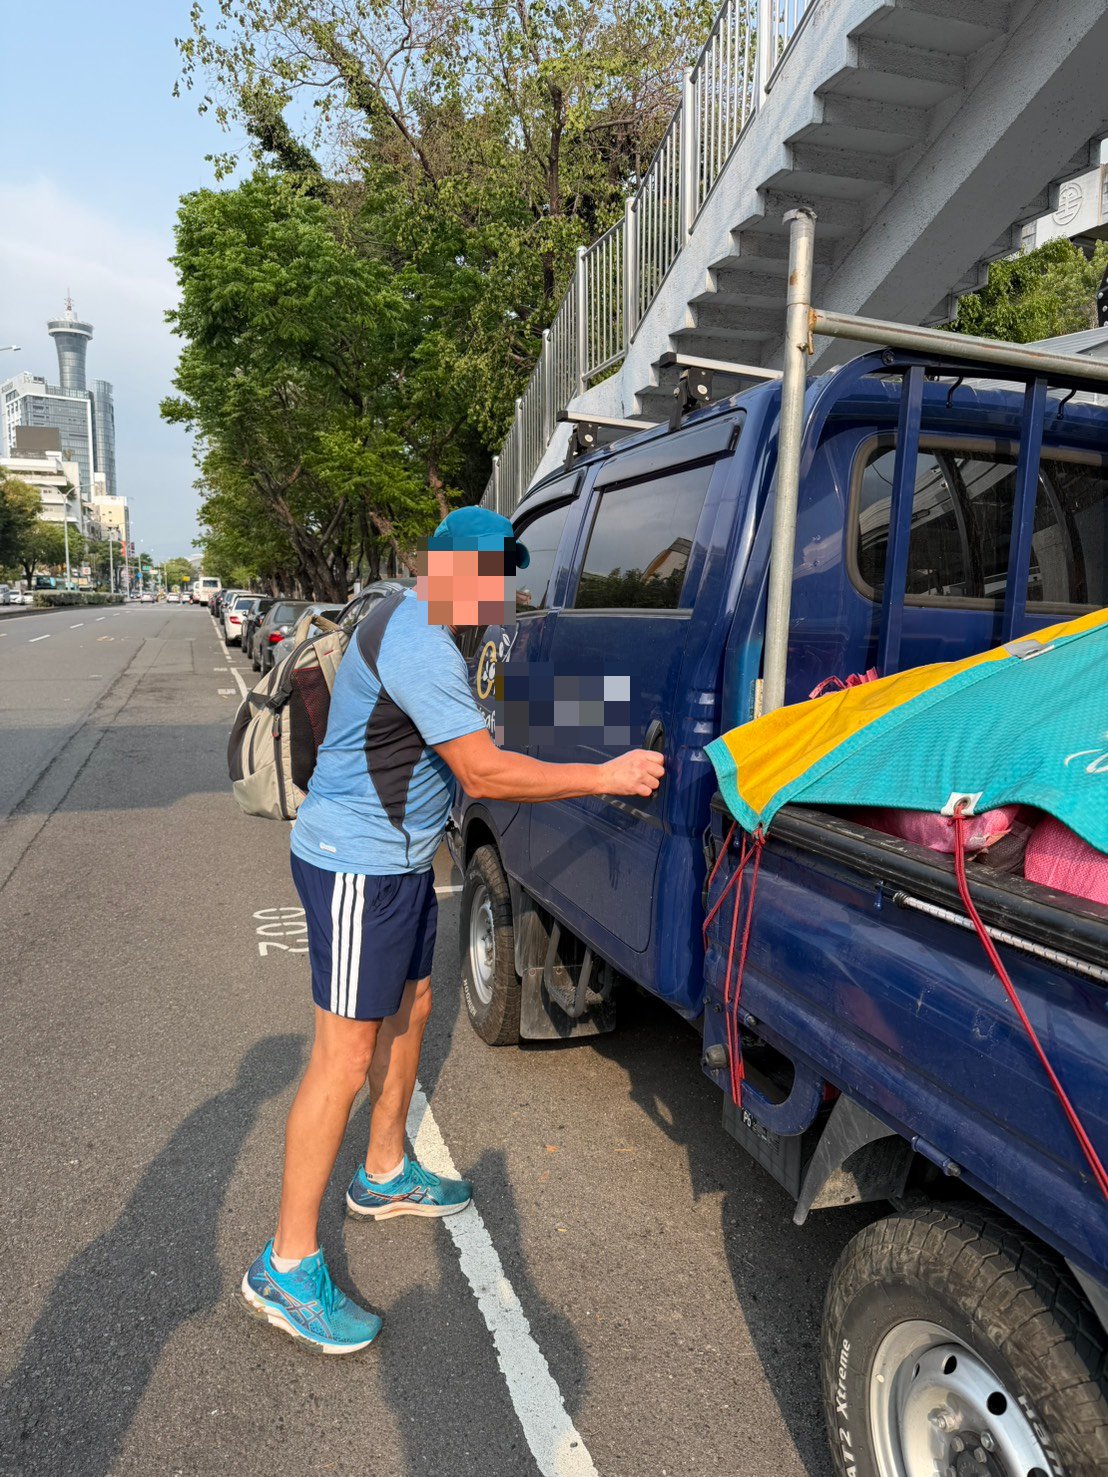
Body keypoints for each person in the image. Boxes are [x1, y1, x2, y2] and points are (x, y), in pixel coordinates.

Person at [242, 505, 665, 1353]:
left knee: (415, 1008)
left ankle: (384, 1171)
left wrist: (608, 714)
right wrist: (606, 774)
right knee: (343, 1056)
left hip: (399, 864)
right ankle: (284, 1266)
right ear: (453, 573)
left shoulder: (439, 624)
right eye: (494, 578)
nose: (504, 595)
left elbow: (505, 715)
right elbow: (483, 769)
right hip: (355, 862)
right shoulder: (419, 640)